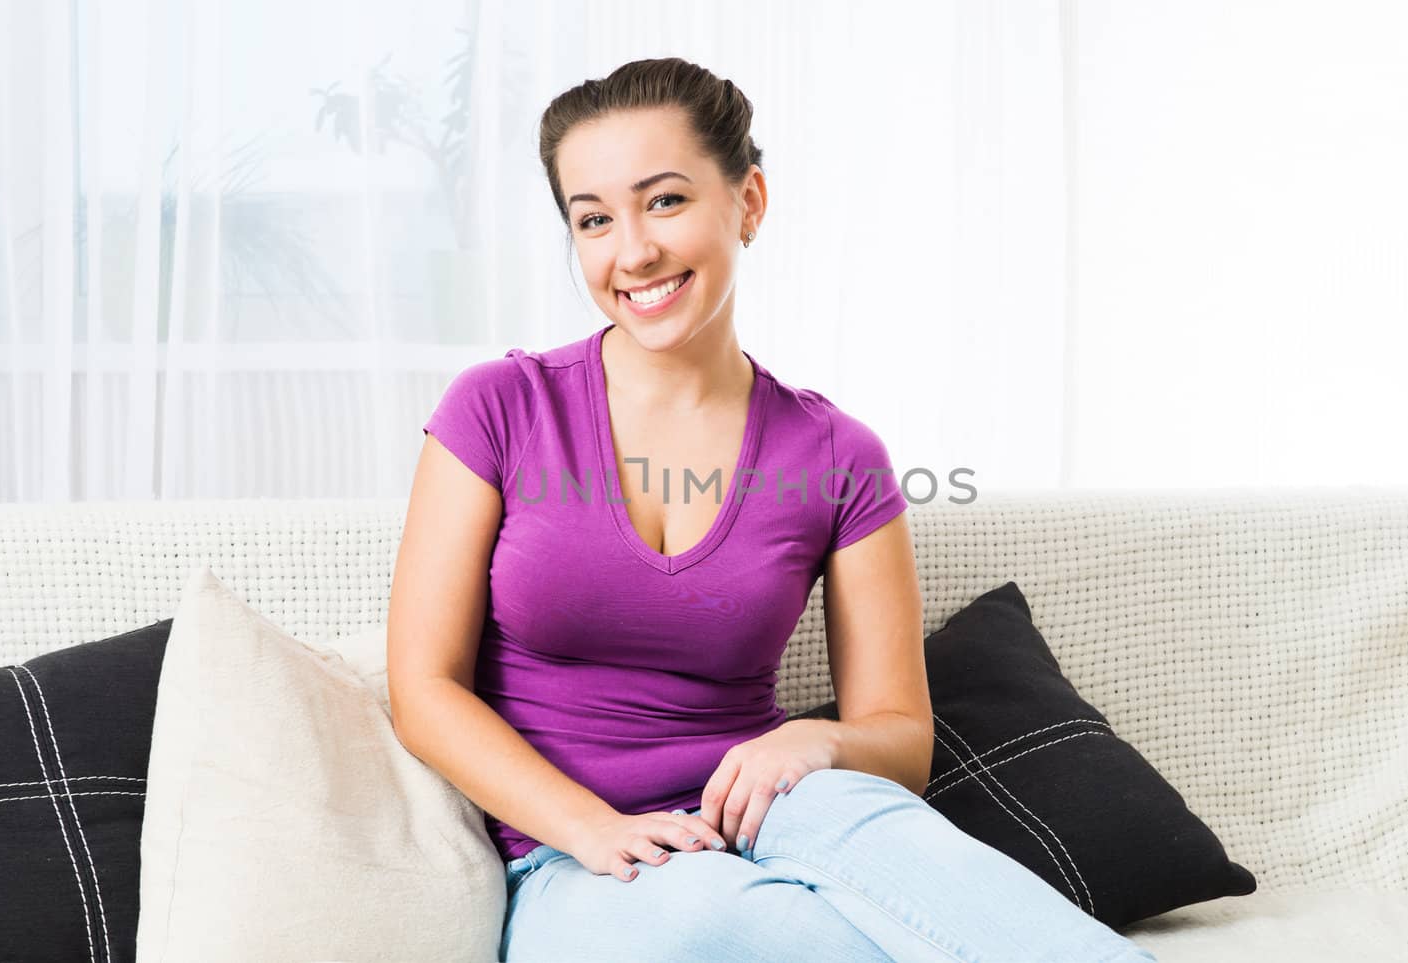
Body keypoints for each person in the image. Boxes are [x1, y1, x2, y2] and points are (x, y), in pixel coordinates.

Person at [387, 56, 1158, 963]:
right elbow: (424, 689)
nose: (631, 251)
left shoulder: (838, 457)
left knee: (960, 900)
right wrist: (590, 827)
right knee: (727, 925)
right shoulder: (500, 408)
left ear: (748, 201)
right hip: (573, 860)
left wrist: (814, 740)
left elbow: (901, 740)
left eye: (664, 201)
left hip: (782, 814)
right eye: (593, 219)